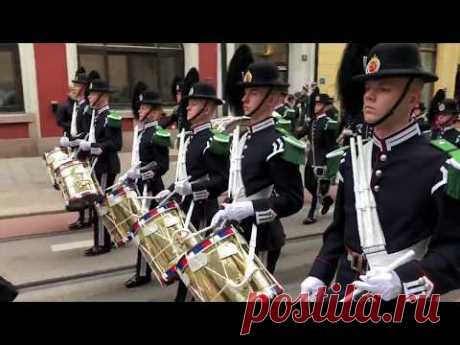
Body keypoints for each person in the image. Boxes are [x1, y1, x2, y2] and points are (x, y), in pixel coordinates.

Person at [300, 43, 460, 301]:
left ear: (412, 98)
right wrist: (319, 273)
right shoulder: (353, 157)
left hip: (399, 301)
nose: (369, 97)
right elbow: (339, 230)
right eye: (367, 89)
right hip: (344, 290)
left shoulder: (439, 164)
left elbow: (454, 248)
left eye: (383, 89)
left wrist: (404, 279)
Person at [211, 60, 304, 277]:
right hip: (237, 231)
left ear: (271, 99)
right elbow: (240, 186)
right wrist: (227, 208)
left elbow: (292, 199)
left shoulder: (278, 143)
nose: (244, 98)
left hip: (260, 236)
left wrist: (249, 209)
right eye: (245, 91)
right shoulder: (243, 137)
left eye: (253, 92)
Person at [155, 81, 229, 301]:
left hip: (204, 212)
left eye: (192, 103)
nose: (186, 108)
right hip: (188, 209)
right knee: (189, 264)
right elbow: (189, 175)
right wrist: (170, 190)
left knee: (196, 265)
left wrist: (192, 188)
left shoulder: (213, 140)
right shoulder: (192, 137)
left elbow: (220, 181)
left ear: (206, 108)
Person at [124, 90, 171, 288]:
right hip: (141, 186)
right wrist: (131, 173)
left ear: (153, 112)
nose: (140, 110)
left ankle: (144, 273)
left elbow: (162, 165)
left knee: (147, 230)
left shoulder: (158, 134)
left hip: (151, 188)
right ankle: (150, 269)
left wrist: (142, 173)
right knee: (147, 230)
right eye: (140, 107)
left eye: (144, 107)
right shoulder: (143, 131)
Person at [78, 79, 123, 256]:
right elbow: (90, 137)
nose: (89, 96)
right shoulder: (95, 116)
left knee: (100, 205)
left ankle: (103, 243)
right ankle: (110, 237)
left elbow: (116, 143)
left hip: (105, 166)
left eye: (93, 93)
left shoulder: (110, 117)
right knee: (102, 204)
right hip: (96, 165)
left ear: (103, 96)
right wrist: (76, 142)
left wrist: (95, 147)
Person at [302, 93, 339, 225]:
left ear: (324, 106)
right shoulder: (312, 121)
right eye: (315, 104)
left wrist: (329, 165)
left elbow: (332, 146)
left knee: (317, 188)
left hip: (321, 161)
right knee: (308, 184)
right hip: (310, 159)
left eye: (319, 104)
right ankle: (326, 200)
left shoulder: (328, 123)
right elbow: (301, 132)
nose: (316, 107)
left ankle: (312, 214)